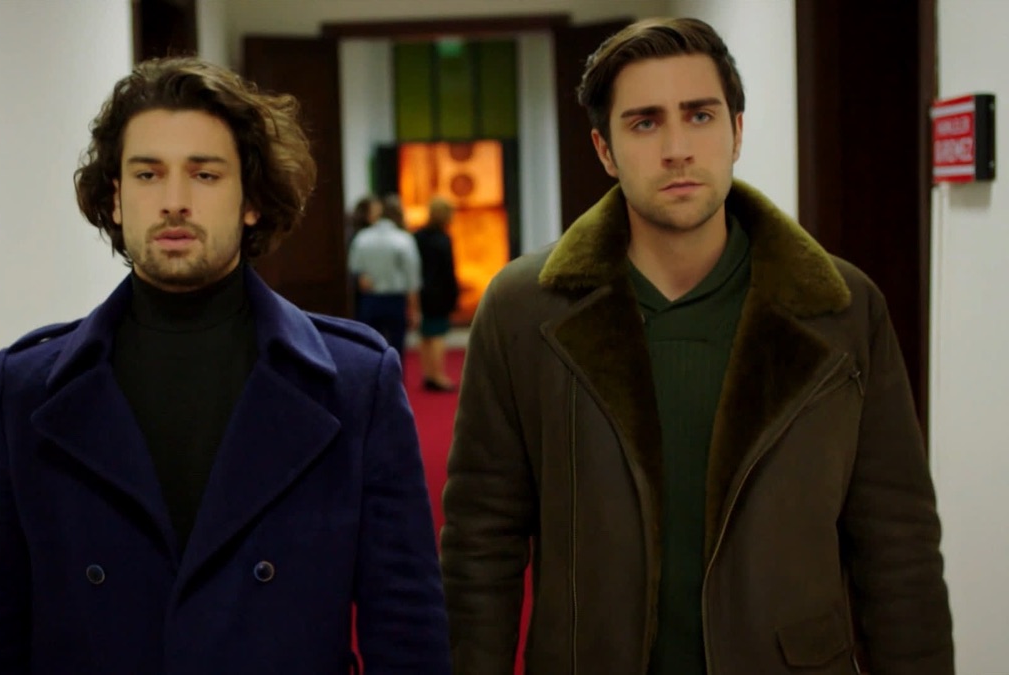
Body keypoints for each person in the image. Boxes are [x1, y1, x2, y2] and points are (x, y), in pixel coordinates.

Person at [441, 17, 952, 675]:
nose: (677, 148)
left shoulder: (841, 307)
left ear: (736, 132)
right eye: (645, 123)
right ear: (604, 149)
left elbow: (898, 545)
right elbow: (481, 544)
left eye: (700, 115)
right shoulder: (523, 309)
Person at [0, 57, 450, 675]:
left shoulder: (352, 382)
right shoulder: (27, 387)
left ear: (251, 200)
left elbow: (404, 621)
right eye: (148, 174)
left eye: (205, 175)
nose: (174, 202)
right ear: (116, 198)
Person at [347, 193, 422, 360]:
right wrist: (415, 309)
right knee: (396, 347)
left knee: (370, 347)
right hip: (395, 299)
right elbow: (412, 278)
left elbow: (355, 269)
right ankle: (395, 376)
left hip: (370, 300)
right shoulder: (403, 239)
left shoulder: (362, 237)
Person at [413, 197, 460, 392]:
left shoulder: (417, 236)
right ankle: (438, 376)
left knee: (425, 334)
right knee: (438, 334)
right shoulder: (443, 239)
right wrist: (454, 294)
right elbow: (448, 271)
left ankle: (428, 373)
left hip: (420, 290)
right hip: (439, 293)